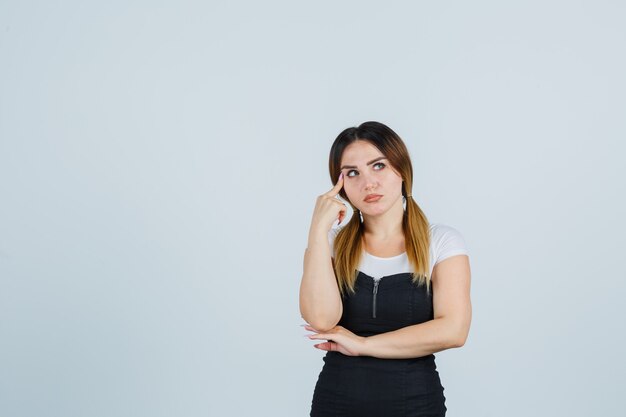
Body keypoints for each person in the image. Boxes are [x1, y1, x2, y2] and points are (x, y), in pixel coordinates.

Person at [299, 121, 472, 417]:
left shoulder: (441, 241)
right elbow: (321, 319)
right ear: (339, 185)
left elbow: (453, 330)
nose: (368, 183)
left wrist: (363, 345)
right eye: (352, 173)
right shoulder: (330, 242)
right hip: (336, 403)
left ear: (401, 170)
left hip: (415, 405)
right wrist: (317, 230)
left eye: (378, 166)